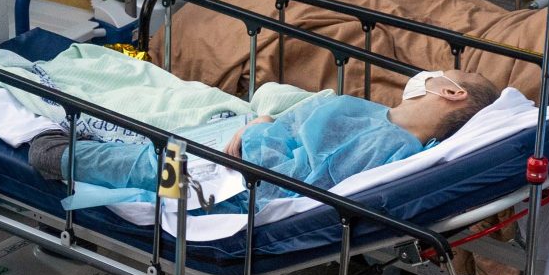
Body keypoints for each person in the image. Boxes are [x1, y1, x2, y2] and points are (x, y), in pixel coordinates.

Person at [28, 69, 499, 211]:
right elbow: (306, 125)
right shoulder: (375, 116)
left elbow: (283, 181)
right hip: (245, 139)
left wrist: (254, 136)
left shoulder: (383, 144)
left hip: (234, 180)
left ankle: (62, 156)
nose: (429, 73)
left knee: (158, 166)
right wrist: (268, 116)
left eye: (443, 73)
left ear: (450, 93)